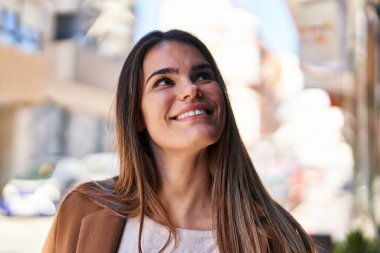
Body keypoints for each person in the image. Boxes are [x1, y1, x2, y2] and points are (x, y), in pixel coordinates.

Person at [42, 29, 316, 253]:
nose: (191, 89)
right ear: (138, 117)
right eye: (163, 82)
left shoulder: (276, 238)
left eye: (203, 76)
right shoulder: (82, 209)